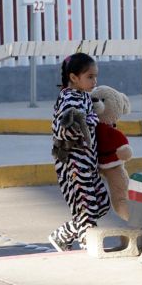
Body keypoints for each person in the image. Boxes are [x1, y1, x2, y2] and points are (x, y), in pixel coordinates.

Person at [48, 53, 110, 252]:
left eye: (95, 76)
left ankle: (62, 235)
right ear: (74, 77)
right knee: (86, 207)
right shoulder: (68, 98)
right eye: (90, 77)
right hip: (73, 163)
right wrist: (84, 121)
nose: (95, 81)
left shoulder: (83, 96)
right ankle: (88, 244)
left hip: (88, 162)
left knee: (101, 203)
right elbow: (62, 129)